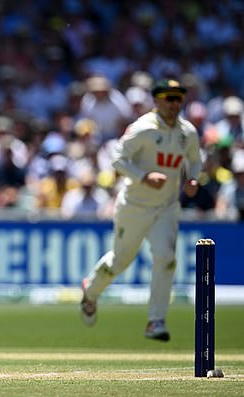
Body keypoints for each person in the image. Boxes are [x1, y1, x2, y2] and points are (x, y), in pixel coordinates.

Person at [80, 79, 202, 342]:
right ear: (156, 101)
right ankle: (90, 291)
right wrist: (143, 176)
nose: (174, 104)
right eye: (168, 98)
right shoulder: (143, 128)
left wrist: (192, 180)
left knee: (166, 258)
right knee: (120, 261)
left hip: (166, 207)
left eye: (178, 98)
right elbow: (117, 159)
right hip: (135, 206)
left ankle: (155, 321)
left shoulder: (187, 132)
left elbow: (195, 160)